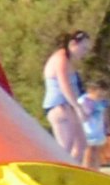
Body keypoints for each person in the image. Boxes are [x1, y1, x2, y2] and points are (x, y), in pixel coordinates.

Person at [41, 32, 101, 167]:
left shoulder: (68, 60)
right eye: (83, 48)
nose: (84, 53)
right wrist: (78, 108)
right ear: (73, 44)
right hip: (59, 106)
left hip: (68, 106)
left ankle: (71, 173)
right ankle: (58, 174)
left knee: (80, 145)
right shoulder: (60, 59)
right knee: (65, 147)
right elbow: (64, 85)